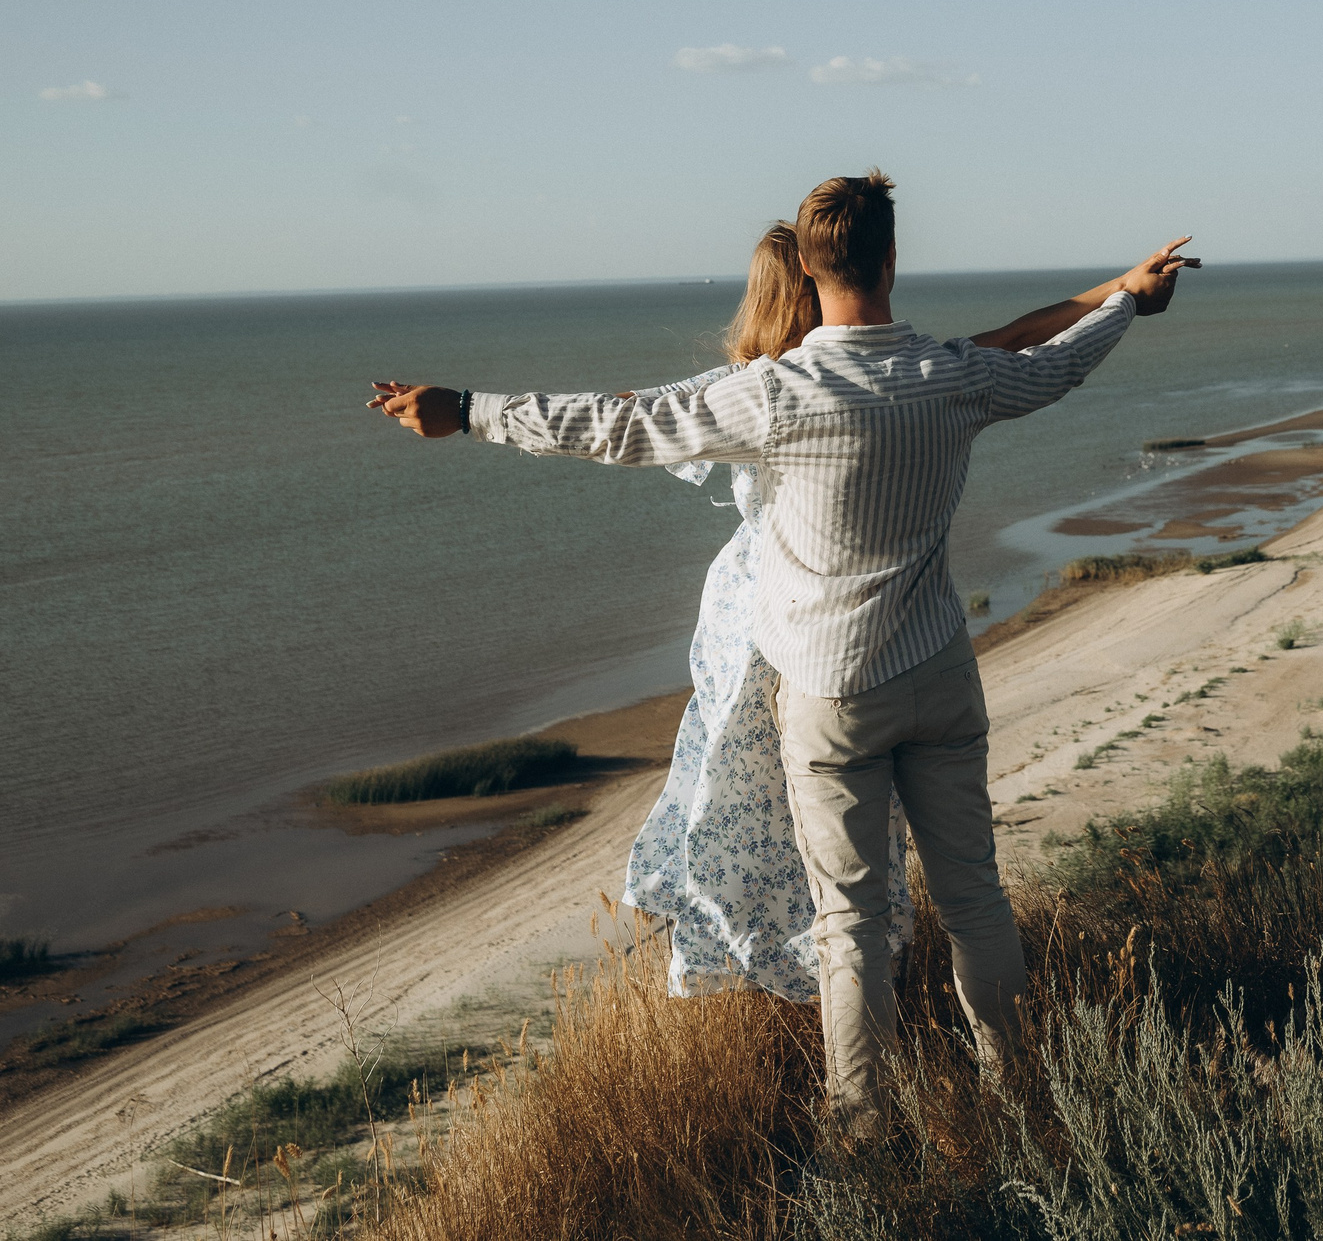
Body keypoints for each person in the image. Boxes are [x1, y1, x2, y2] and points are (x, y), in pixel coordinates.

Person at [368, 171, 1196, 1129]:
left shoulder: (774, 394)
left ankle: (864, 1135)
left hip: (833, 693)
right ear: (892, 258)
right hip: (938, 672)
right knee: (975, 902)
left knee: (850, 926)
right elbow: (1058, 361)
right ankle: (1023, 1104)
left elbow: (618, 424)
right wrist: (1129, 300)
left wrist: (467, 408)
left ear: (806, 266)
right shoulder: (952, 374)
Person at [619, 222, 913, 1000]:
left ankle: (783, 967)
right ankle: (832, 971)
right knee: (814, 812)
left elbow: (633, 414)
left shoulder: (748, 384)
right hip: (786, 616)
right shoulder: (816, 384)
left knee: (745, 793)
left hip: (744, 609)